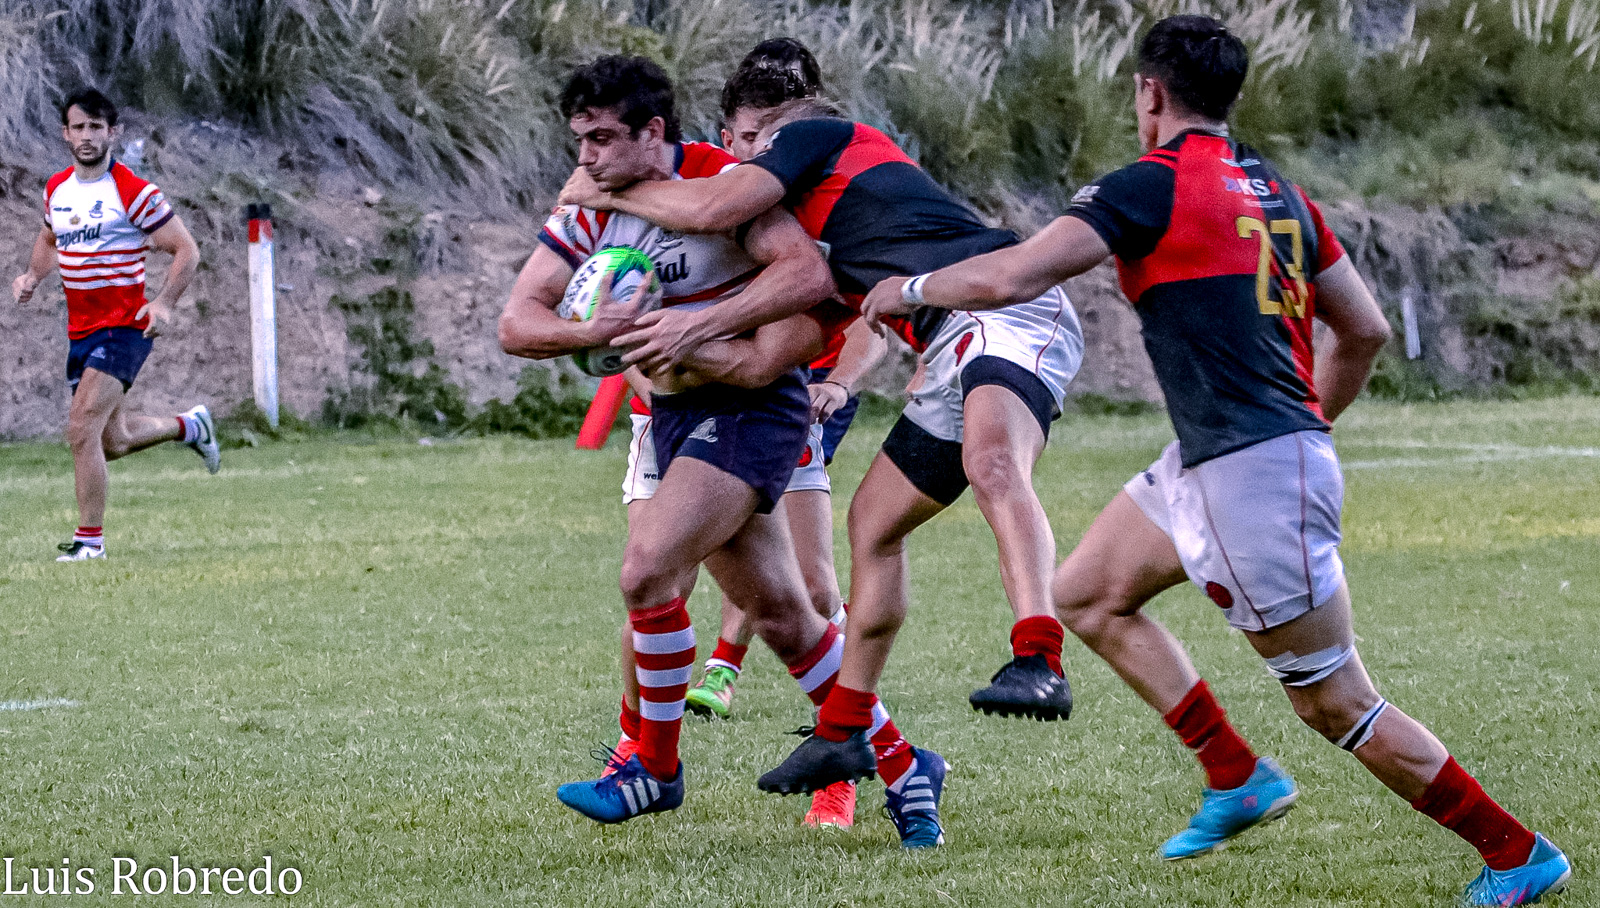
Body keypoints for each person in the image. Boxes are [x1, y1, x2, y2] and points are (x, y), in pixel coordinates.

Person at [857, 16, 1570, 906]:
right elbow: (1367, 329)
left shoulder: (1145, 186)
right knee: (1086, 591)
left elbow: (1010, 279)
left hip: (1251, 473)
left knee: (1334, 702)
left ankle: (1515, 852)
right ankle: (1234, 774)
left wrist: (910, 288)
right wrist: (1308, 425)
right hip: (1227, 459)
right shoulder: (1283, 194)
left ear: (1150, 93)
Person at [558, 66, 1087, 843]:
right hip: (916, 353)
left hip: (984, 311)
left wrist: (604, 198)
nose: (735, 158)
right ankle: (890, 758)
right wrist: (640, 340)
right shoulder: (824, 250)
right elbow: (780, 336)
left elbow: (728, 242)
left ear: (769, 132)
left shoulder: (817, 139)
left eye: (742, 144)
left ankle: (1037, 655)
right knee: (846, 552)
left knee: (988, 467)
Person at [498, 57, 926, 847]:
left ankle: (653, 768)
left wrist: (706, 327)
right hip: (670, 416)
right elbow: (517, 321)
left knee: (647, 569)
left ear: (653, 132)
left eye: (601, 139)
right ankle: (905, 765)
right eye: (579, 140)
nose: (585, 157)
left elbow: (808, 273)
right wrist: (589, 334)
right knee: (782, 617)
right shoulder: (592, 206)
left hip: (753, 408)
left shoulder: (724, 182)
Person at [11, 88, 219, 563]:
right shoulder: (57, 190)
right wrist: (32, 276)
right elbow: (48, 238)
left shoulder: (134, 192)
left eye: (95, 127)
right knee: (113, 440)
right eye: (78, 128)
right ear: (66, 134)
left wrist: (163, 303)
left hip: (124, 327)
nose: (86, 136)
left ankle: (90, 543)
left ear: (113, 133)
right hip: (81, 330)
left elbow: (186, 250)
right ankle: (190, 426)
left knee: (80, 428)